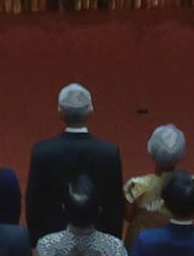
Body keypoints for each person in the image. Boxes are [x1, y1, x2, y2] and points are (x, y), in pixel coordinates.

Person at [27, 84, 125, 239]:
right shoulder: (109, 152)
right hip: (97, 236)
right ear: (90, 110)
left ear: (60, 112)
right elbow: (114, 205)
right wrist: (113, 240)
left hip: (52, 235)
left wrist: (36, 240)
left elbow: (34, 203)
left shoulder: (42, 151)